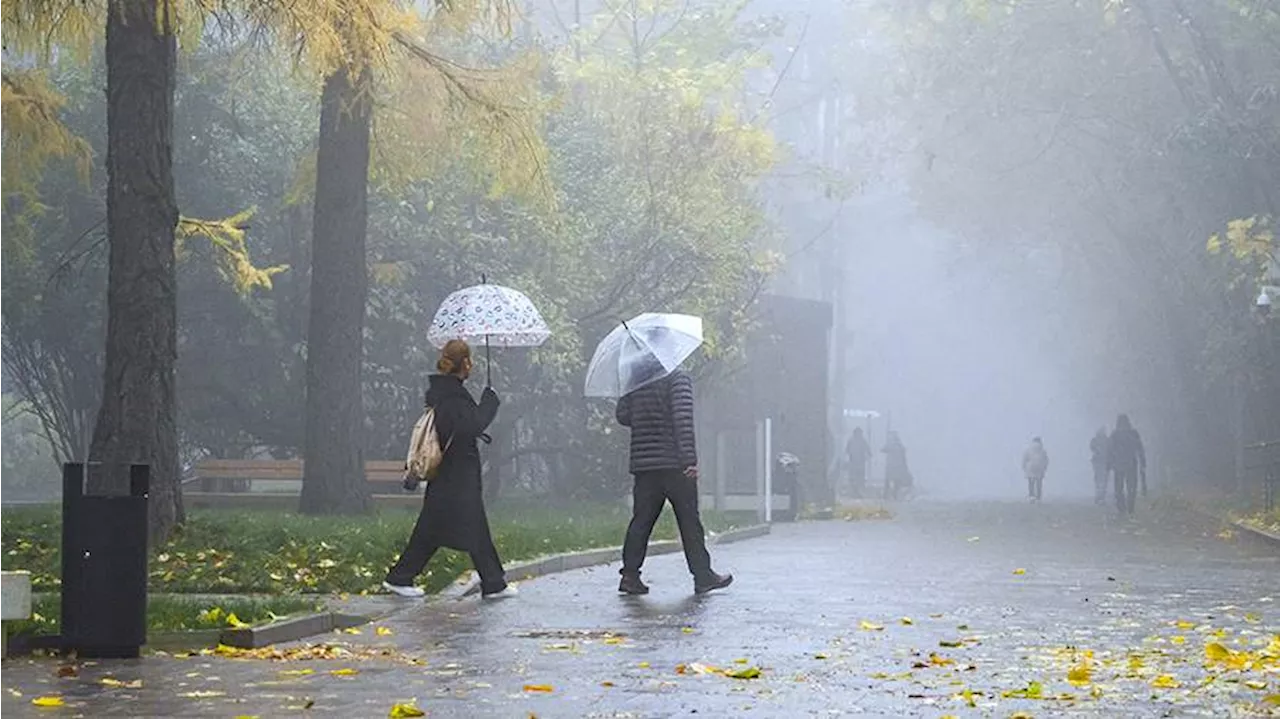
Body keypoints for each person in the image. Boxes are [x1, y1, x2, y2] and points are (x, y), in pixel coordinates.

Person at [383, 340, 515, 599]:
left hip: (450, 475)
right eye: (470, 361)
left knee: (436, 530)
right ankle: (493, 583)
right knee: (466, 527)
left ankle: (402, 577)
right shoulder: (453, 397)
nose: (472, 366)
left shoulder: (446, 393)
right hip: (457, 475)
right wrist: (489, 404)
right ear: (464, 363)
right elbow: (470, 427)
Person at [616, 364, 733, 596]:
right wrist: (689, 460)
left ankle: (630, 576)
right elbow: (683, 419)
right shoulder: (677, 377)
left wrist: (644, 414)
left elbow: (623, 415)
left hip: (645, 465)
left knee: (641, 522)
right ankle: (702, 576)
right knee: (689, 521)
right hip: (674, 464)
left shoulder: (636, 378)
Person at [1109, 414, 1146, 516]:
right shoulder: (1133, 433)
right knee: (1131, 486)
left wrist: (1110, 463)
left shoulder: (1115, 434)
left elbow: (1110, 450)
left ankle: (1122, 507)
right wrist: (1142, 461)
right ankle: (1130, 507)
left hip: (1120, 464)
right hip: (1131, 463)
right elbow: (1140, 448)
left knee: (1119, 488)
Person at [882, 431, 913, 500]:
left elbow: (883, 449)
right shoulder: (900, 446)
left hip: (892, 467)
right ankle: (892, 495)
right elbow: (904, 458)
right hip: (896, 467)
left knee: (891, 482)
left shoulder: (892, 445)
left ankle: (888, 495)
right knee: (895, 482)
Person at [845, 428, 871, 498]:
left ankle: (858, 491)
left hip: (860, 462)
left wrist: (869, 454)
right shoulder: (852, 440)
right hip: (854, 462)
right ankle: (854, 491)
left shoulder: (862, 441)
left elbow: (868, 449)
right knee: (854, 477)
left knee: (859, 478)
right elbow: (847, 450)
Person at [1022, 437, 1049, 502]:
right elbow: (1046, 460)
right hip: (1040, 468)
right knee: (1039, 483)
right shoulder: (1043, 450)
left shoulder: (1028, 449)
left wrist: (1024, 467)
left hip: (1030, 467)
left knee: (1031, 482)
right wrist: (1044, 468)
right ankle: (1038, 497)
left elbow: (1025, 459)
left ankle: (1031, 496)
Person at [1090, 428, 1110, 505]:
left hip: (1101, 462)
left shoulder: (1096, 440)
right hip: (1101, 462)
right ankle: (1100, 495)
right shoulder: (1106, 440)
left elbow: (1092, 447)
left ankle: (1100, 495)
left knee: (1101, 479)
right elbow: (1092, 447)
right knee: (1101, 479)